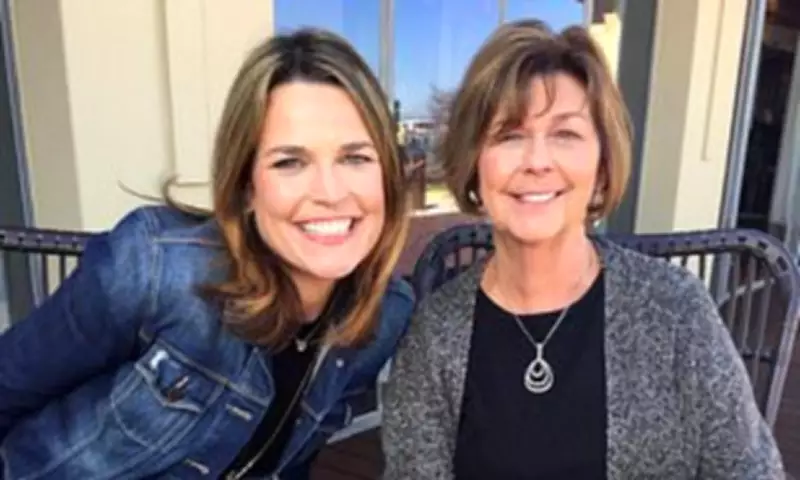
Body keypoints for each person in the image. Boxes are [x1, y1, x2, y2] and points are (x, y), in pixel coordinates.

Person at [0, 28, 414, 479]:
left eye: (355, 158)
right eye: (289, 162)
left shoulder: (384, 316)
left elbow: (289, 460)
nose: (330, 193)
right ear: (246, 186)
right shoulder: (155, 269)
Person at [382, 19, 785, 480]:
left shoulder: (675, 311)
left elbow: (751, 471)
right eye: (509, 135)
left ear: (601, 166)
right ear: (475, 165)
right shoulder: (434, 336)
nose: (537, 161)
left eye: (565, 134)